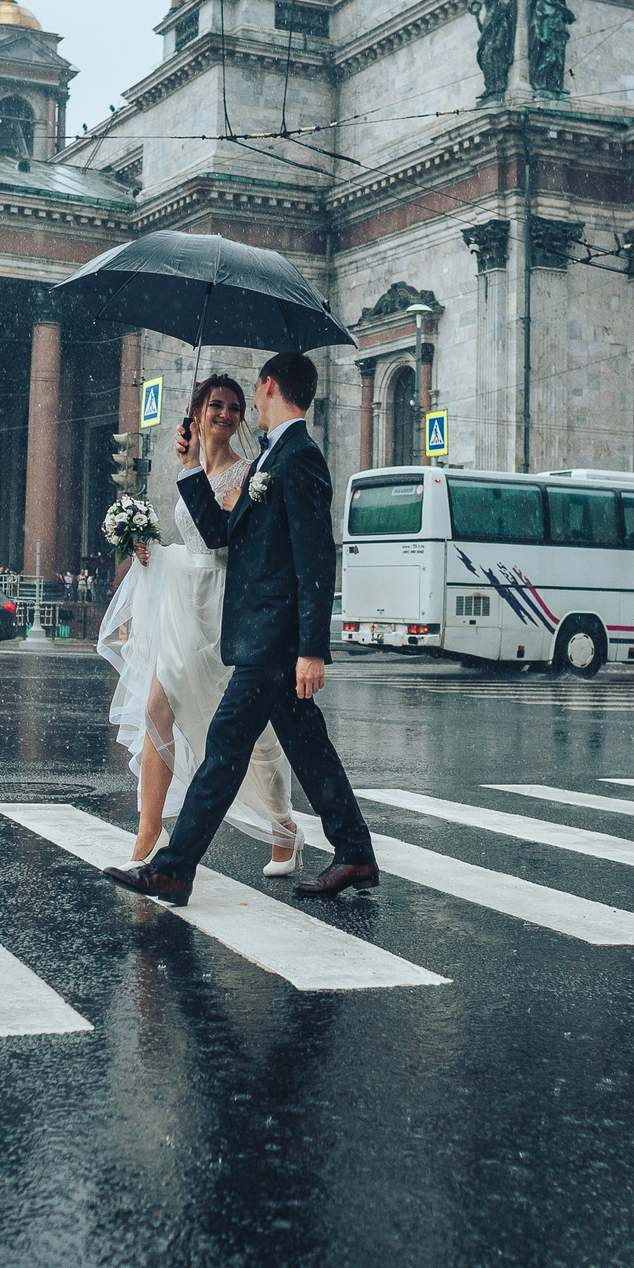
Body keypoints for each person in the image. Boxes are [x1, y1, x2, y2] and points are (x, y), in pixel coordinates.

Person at [103, 352, 378, 905]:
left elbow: (315, 556)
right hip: (263, 636)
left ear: (269, 384)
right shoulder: (273, 456)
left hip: (273, 642)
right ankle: (353, 852)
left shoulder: (298, 456)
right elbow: (223, 531)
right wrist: (187, 469)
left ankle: (175, 868)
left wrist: (312, 649)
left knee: (226, 748)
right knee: (309, 748)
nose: (249, 402)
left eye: (252, 391)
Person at [97, 375, 301, 876]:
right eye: (216, 405)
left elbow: (219, 538)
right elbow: (187, 546)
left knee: (245, 734)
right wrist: (147, 547)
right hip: (180, 606)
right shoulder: (188, 469)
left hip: (223, 612)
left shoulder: (247, 475)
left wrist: (191, 469)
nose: (226, 415)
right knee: (156, 709)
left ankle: (284, 829)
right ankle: (148, 833)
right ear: (196, 411)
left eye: (234, 407)